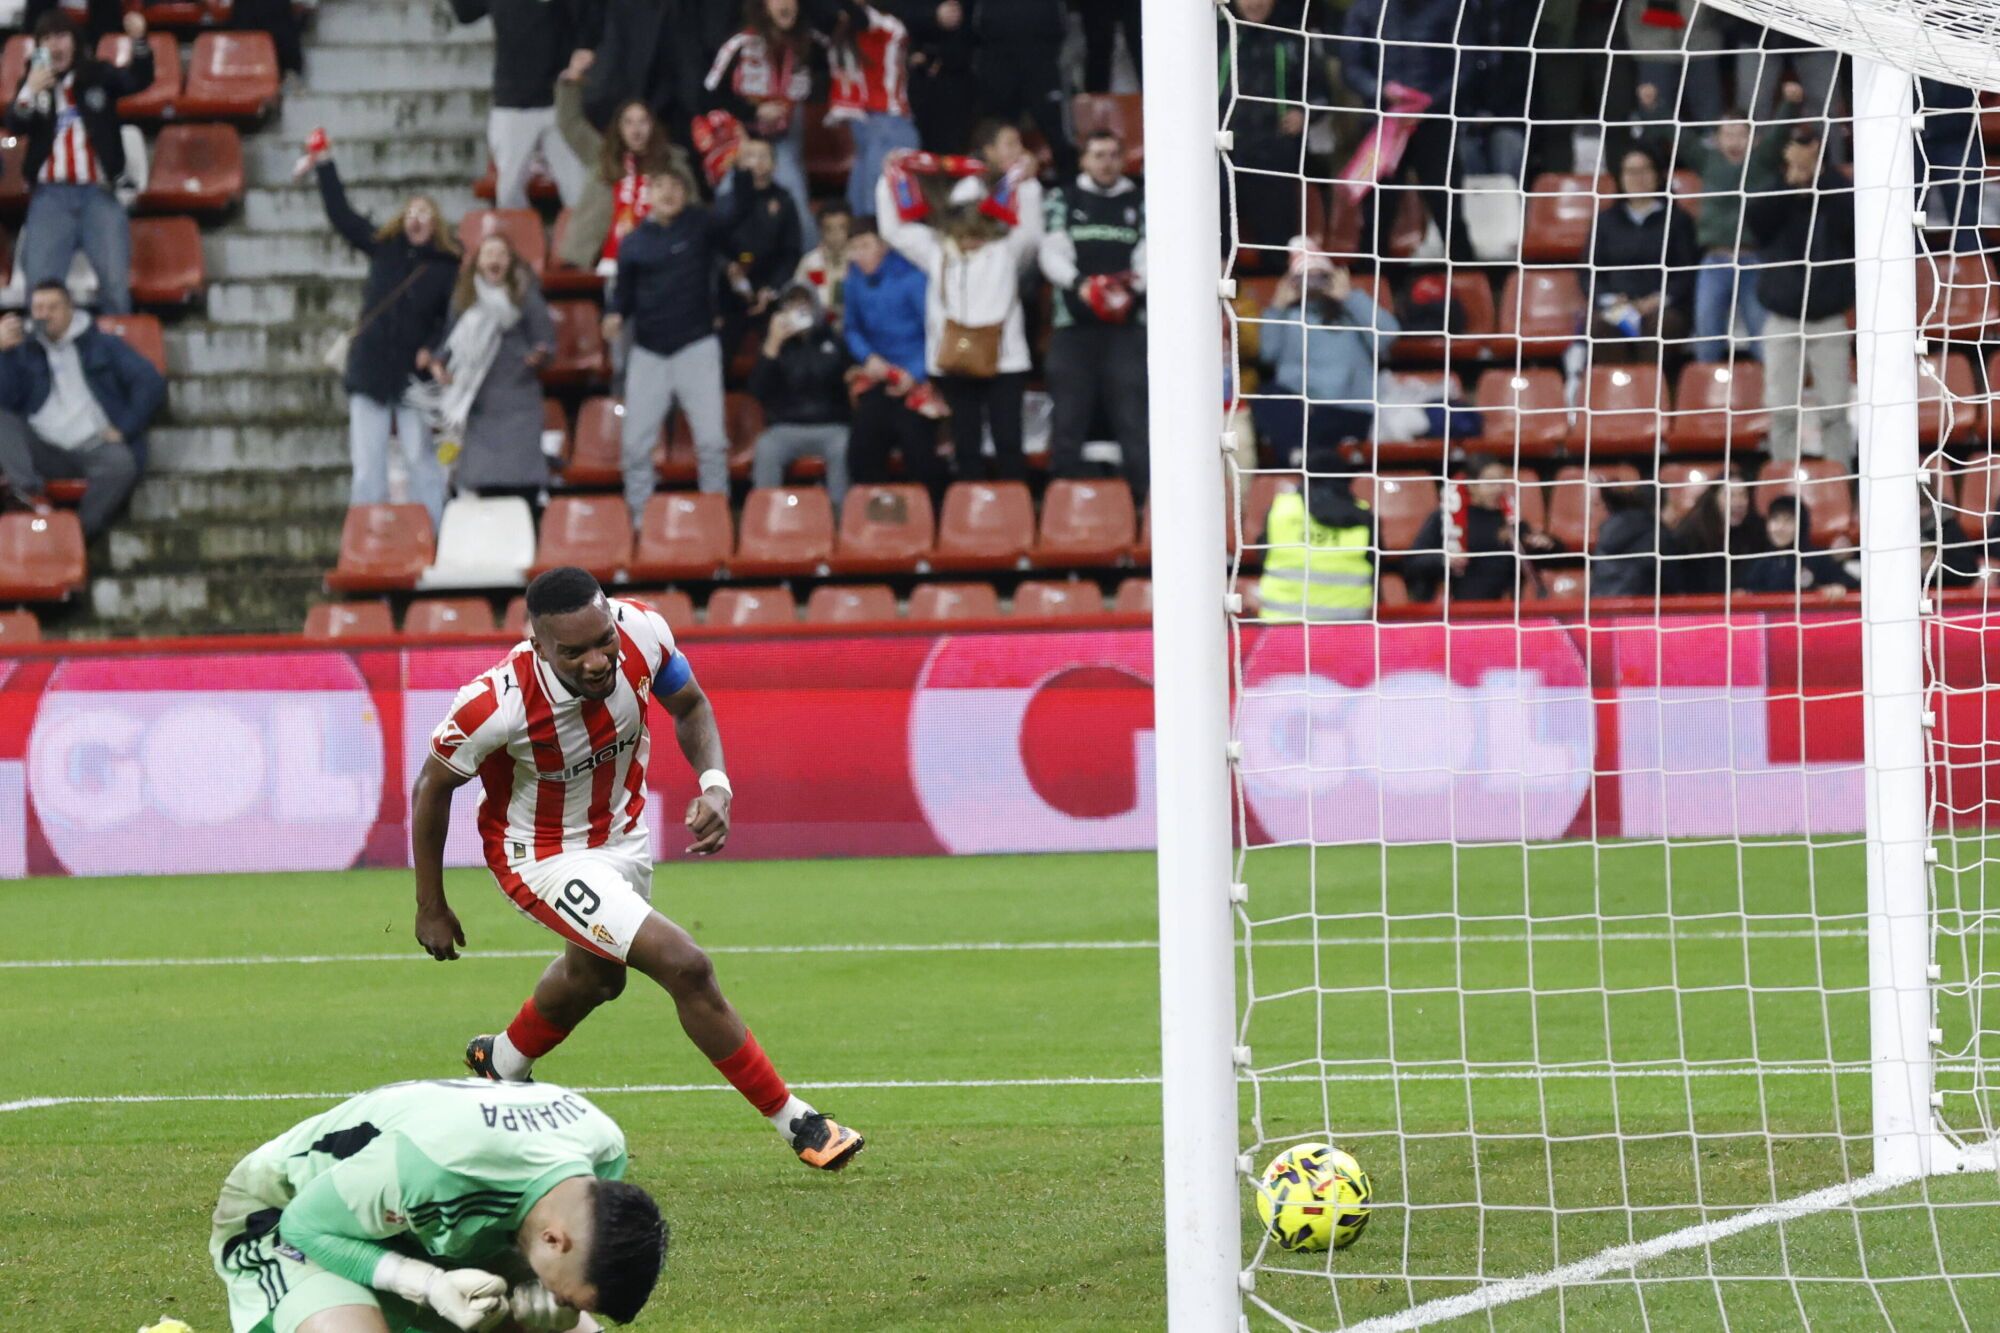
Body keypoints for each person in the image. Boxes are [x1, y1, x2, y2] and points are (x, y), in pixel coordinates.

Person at [415, 569, 867, 1174]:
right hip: (543, 856)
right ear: (539, 647)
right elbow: (432, 787)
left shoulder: (645, 632)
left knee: (597, 980)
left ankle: (502, 1061)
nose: (598, 661)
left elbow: (691, 704)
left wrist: (716, 785)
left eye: (602, 640)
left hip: (624, 837)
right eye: (572, 653)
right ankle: (799, 1122)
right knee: (684, 965)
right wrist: (430, 904)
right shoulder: (494, 703)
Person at [209, 1077, 665, 1333]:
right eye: (564, 1295)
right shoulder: (437, 1165)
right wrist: (425, 1283)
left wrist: (553, 1314)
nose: (559, 1302)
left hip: (408, 1219)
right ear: (552, 1239)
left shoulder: (603, 1154)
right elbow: (305, 1225)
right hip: (284, 1216)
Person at [303, 143, 462, 527]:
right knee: (366, 464)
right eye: (411, 211)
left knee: (420, 458)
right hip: (370, 369)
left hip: (413, 376)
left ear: (435, 222)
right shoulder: (384, 248)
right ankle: (364, 538)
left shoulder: (446, 267)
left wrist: (432, 351)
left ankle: (435, 537)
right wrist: (324, 166)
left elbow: (451, 320)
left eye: (424, 211)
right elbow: (343, 216)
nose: (416, 217)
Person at [877, 150, 1037, 482]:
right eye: (961, 217)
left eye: (976, 217)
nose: (969, 227)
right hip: (954, 360)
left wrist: (1027, 182)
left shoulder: (1006, 251)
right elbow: (893, 230)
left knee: (1008, 443)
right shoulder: (935, 250)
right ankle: (972, 514)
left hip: (1004, 362)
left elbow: (1032, 232)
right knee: (966, 445)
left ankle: (1014, 515)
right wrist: (888, 177)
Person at [602, 163, 751, 507]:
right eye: (661, 186)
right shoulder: (634, 242)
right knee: (635, 446)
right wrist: (613, 314)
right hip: (649, 352)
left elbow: (734, 211)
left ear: (686, 195)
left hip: (696, 347)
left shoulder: (700, 225)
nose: (668, 194)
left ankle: (715, 514)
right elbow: (623, 292)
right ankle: (639, 522)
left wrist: (740, 168)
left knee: (712, 442)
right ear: (649, 195)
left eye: (676, 187)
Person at [7, 9, 152, 315]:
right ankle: (44, 360)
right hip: (50, 198)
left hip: (98, 194)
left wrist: (139, 42)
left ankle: (115, 356)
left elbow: (138, 79)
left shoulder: (98, 75)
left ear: (75, 41)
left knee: (115, 286)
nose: (54, 45)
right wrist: (29, 91)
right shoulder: (33, 85)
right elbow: (14, 126)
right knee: (39, 288)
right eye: (46, 39)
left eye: (61, 36)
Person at [0, 280, 160, 537]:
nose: (45, 314)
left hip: (94, 443)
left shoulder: (102, 344)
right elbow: (5, 399)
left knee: (122, 465)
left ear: (69, 310)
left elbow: (148, 381)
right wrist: (3, 354)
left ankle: (75, 538)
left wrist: (125, 427)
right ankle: (28, 495)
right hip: (44, 447)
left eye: (53, 307)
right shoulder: (23, 351)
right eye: (38, 308)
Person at [1040, 128, 1147, 498]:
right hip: (1073, 327)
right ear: (1084, 160)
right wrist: (1083, 285)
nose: (1106, 162)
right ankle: (1064, 504)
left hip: (1129, 327)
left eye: (1114, 155)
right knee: (1068, 419)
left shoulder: (1142, 199)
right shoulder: (1063, 198)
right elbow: (1051, 252)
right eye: (1098, 155)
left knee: (1134, 419)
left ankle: (1145, 507)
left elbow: (1150, 253)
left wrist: (1126, 288)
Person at [1745, 121, 1855, 465]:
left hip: (1829, 319)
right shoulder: (1774, 192)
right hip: (1782, 320)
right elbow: (1758, 226)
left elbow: (1852, 223)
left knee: (1835, 409)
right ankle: (1781, 482)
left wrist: (1821, 175)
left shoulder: (1836, 191)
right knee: (1781, 412)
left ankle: (1840, 483)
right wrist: (1789, 181)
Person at [428, 235, 557, 505]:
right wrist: (440, 364)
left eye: (501, 254)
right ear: (478, 263)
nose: (494, 259)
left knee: (522, 482)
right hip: (479, 401)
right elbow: (449, 341)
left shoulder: (527, 297)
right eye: (488, 254)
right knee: (483, 482)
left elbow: (546, 341)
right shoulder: (463, 299)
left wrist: (539, 356)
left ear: (510, 263)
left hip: (519, 399)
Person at [450, 0, 594, 211]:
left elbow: (589, 18)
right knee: (508, 191)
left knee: (578, 192)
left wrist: (584, 52)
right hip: (512, 102)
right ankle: (516, 241)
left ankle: (577, 242)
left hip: (560, 99)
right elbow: (466, 13)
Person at [1253, 261, 1400, 465]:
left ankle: (1306, 457)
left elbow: (1388, 336)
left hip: (1346, 408)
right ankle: (1299, 457)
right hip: (1298, 408)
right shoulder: (1287, 315)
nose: (1312, 284)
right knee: (1266, 396)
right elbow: (1266, 354)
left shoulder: (1351, 312)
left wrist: (1350, 297)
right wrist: (1278, 307)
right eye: (1304, 278)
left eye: (1320, 277)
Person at [842, 219, 947, 496]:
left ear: (883, 245)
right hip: (879, 378)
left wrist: (913, 373)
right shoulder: (853, 280)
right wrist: (868, 358)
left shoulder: (912, 277)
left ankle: (930, 520)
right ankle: (873, 521)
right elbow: (851, 328)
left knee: (918, 449)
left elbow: (935, 331)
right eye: (853, 248)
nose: (858, 255)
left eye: (865, 246)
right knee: (861, 449)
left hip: (919, 379)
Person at [552, 72, 688, 279]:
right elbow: (570, 124)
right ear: (619, 128)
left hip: (660, 259)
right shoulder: (601, 155)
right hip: (607, 260)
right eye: (629, 123)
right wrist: (570, 83)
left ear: (653, 126)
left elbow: (691, 209)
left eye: (643, 122)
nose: (636, 130)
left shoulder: (673, 162)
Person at [705, 0, 819, 247]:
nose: (786, 4)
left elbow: (824, 87)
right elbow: (708, 95)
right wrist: (754, 110)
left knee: (795, 200)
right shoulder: (739, 44)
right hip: (743, 141)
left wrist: (789, 104)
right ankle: (726, 275)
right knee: (728, 199)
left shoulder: (810, 43)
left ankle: (807, 274)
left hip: (785, 140)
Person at [1682, 109, 1787, 363]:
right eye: (1727, 134)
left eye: (1741, 134)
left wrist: (1789, 104)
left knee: (1762, 337)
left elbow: (1780, 135)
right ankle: (1705, 397)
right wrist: (1654, 108)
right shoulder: (1707, 161)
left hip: (1754, 260)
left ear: (1754, 139)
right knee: (1706, 334)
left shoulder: (1762, 162)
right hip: (1715, 260)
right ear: (1716, 139)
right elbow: (1679, 137)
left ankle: (1769, 396)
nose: (1734, 141)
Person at [1588, 145, 1700, 369]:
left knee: (1662, 325)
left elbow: (1687, 272)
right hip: (1620, 305)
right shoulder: (1605, 221)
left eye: (1644, 170)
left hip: (1663, 307)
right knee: (1599, 325)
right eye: (1630, 171)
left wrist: (1660, 299)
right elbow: (1589, 272)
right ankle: (1621, 392)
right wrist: (1610, 298)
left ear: (1657, 174)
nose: (1637, 178)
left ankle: (1651, 392)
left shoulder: (1678, 220)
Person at [749, 283, 851, 502]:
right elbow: (756, 391)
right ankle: (767, 517)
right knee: (766, 447)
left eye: (804, 304)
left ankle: (840, 519)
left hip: (831, 426)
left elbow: (846, 379)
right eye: (792, 304)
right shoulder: (775, 344)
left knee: (844, 446)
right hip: (785, 427)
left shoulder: (833, 340)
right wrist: (773, 343)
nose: (799, 310)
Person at [1402, 461, 1554, 603]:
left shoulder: (1511, 519)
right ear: (1471, 485)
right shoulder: (1446, 518)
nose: (1498, 488)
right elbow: (1413, 563)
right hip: (1458, 608)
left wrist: (1543, 544)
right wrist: (1445, 560)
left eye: (1502, 481)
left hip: (1506, 607)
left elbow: (1549, 557)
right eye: (1490, 482)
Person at [826, 0, 921, 220]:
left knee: (882, 211)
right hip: (864, 128)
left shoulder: (884, 23)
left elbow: (860, 16)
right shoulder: (846, 25)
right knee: (858, 213)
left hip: (890, 126)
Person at [1257, 456, 1376, 622]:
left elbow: (1262, 556)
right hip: (1348, 630)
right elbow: (1377, 569)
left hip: (1282, 628)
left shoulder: (1281, 509)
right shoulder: (1364, 515)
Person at [965, 0, 1074, 179]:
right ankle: (992, 195)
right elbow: (973, 24)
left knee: (1058, 134)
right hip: (997, 62)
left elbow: (1061, 24)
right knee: (995, 134)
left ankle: (1070, 195)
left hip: (1042, 62)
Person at [720, 135, 804, 346]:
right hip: (731, 288)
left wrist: (773, 287)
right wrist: (727, 268)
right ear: (739, 162)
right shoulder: (726, 202)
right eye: (750, 156)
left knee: (784, 344)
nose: (756, 161)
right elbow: (713, 247)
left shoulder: (784, 201)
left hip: (771, 286)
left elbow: (791, 251)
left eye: (763, 156)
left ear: (774, 164)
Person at [1666, 463, 1765, 593]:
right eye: (1731, 495)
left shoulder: (1756, 531)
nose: (1738, 502)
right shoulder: (1691, 535)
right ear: (1714, 498)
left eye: (1743, 495)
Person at [1738, 494, 1857, 594]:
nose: (1780, 527)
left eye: (1788, 520)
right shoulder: (1759, 564)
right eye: (1775, 520)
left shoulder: (1817, 559)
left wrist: (1839, 588)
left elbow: (1852, 585)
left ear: (1801, 525)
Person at [1590, 481, 1663, 598]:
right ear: (1658, 506)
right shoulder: (1655, 534)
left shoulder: (1607, 533)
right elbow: (1676, 584)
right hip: (1642, 612)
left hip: (1600, 610)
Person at [794, 202, 852, 321]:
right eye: (829, 229)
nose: (836, 235)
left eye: (842, 227)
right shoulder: (810, 262)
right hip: (818, 326)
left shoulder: (859, 261)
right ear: (820, 230)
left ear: (851, 227)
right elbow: (797, 299)